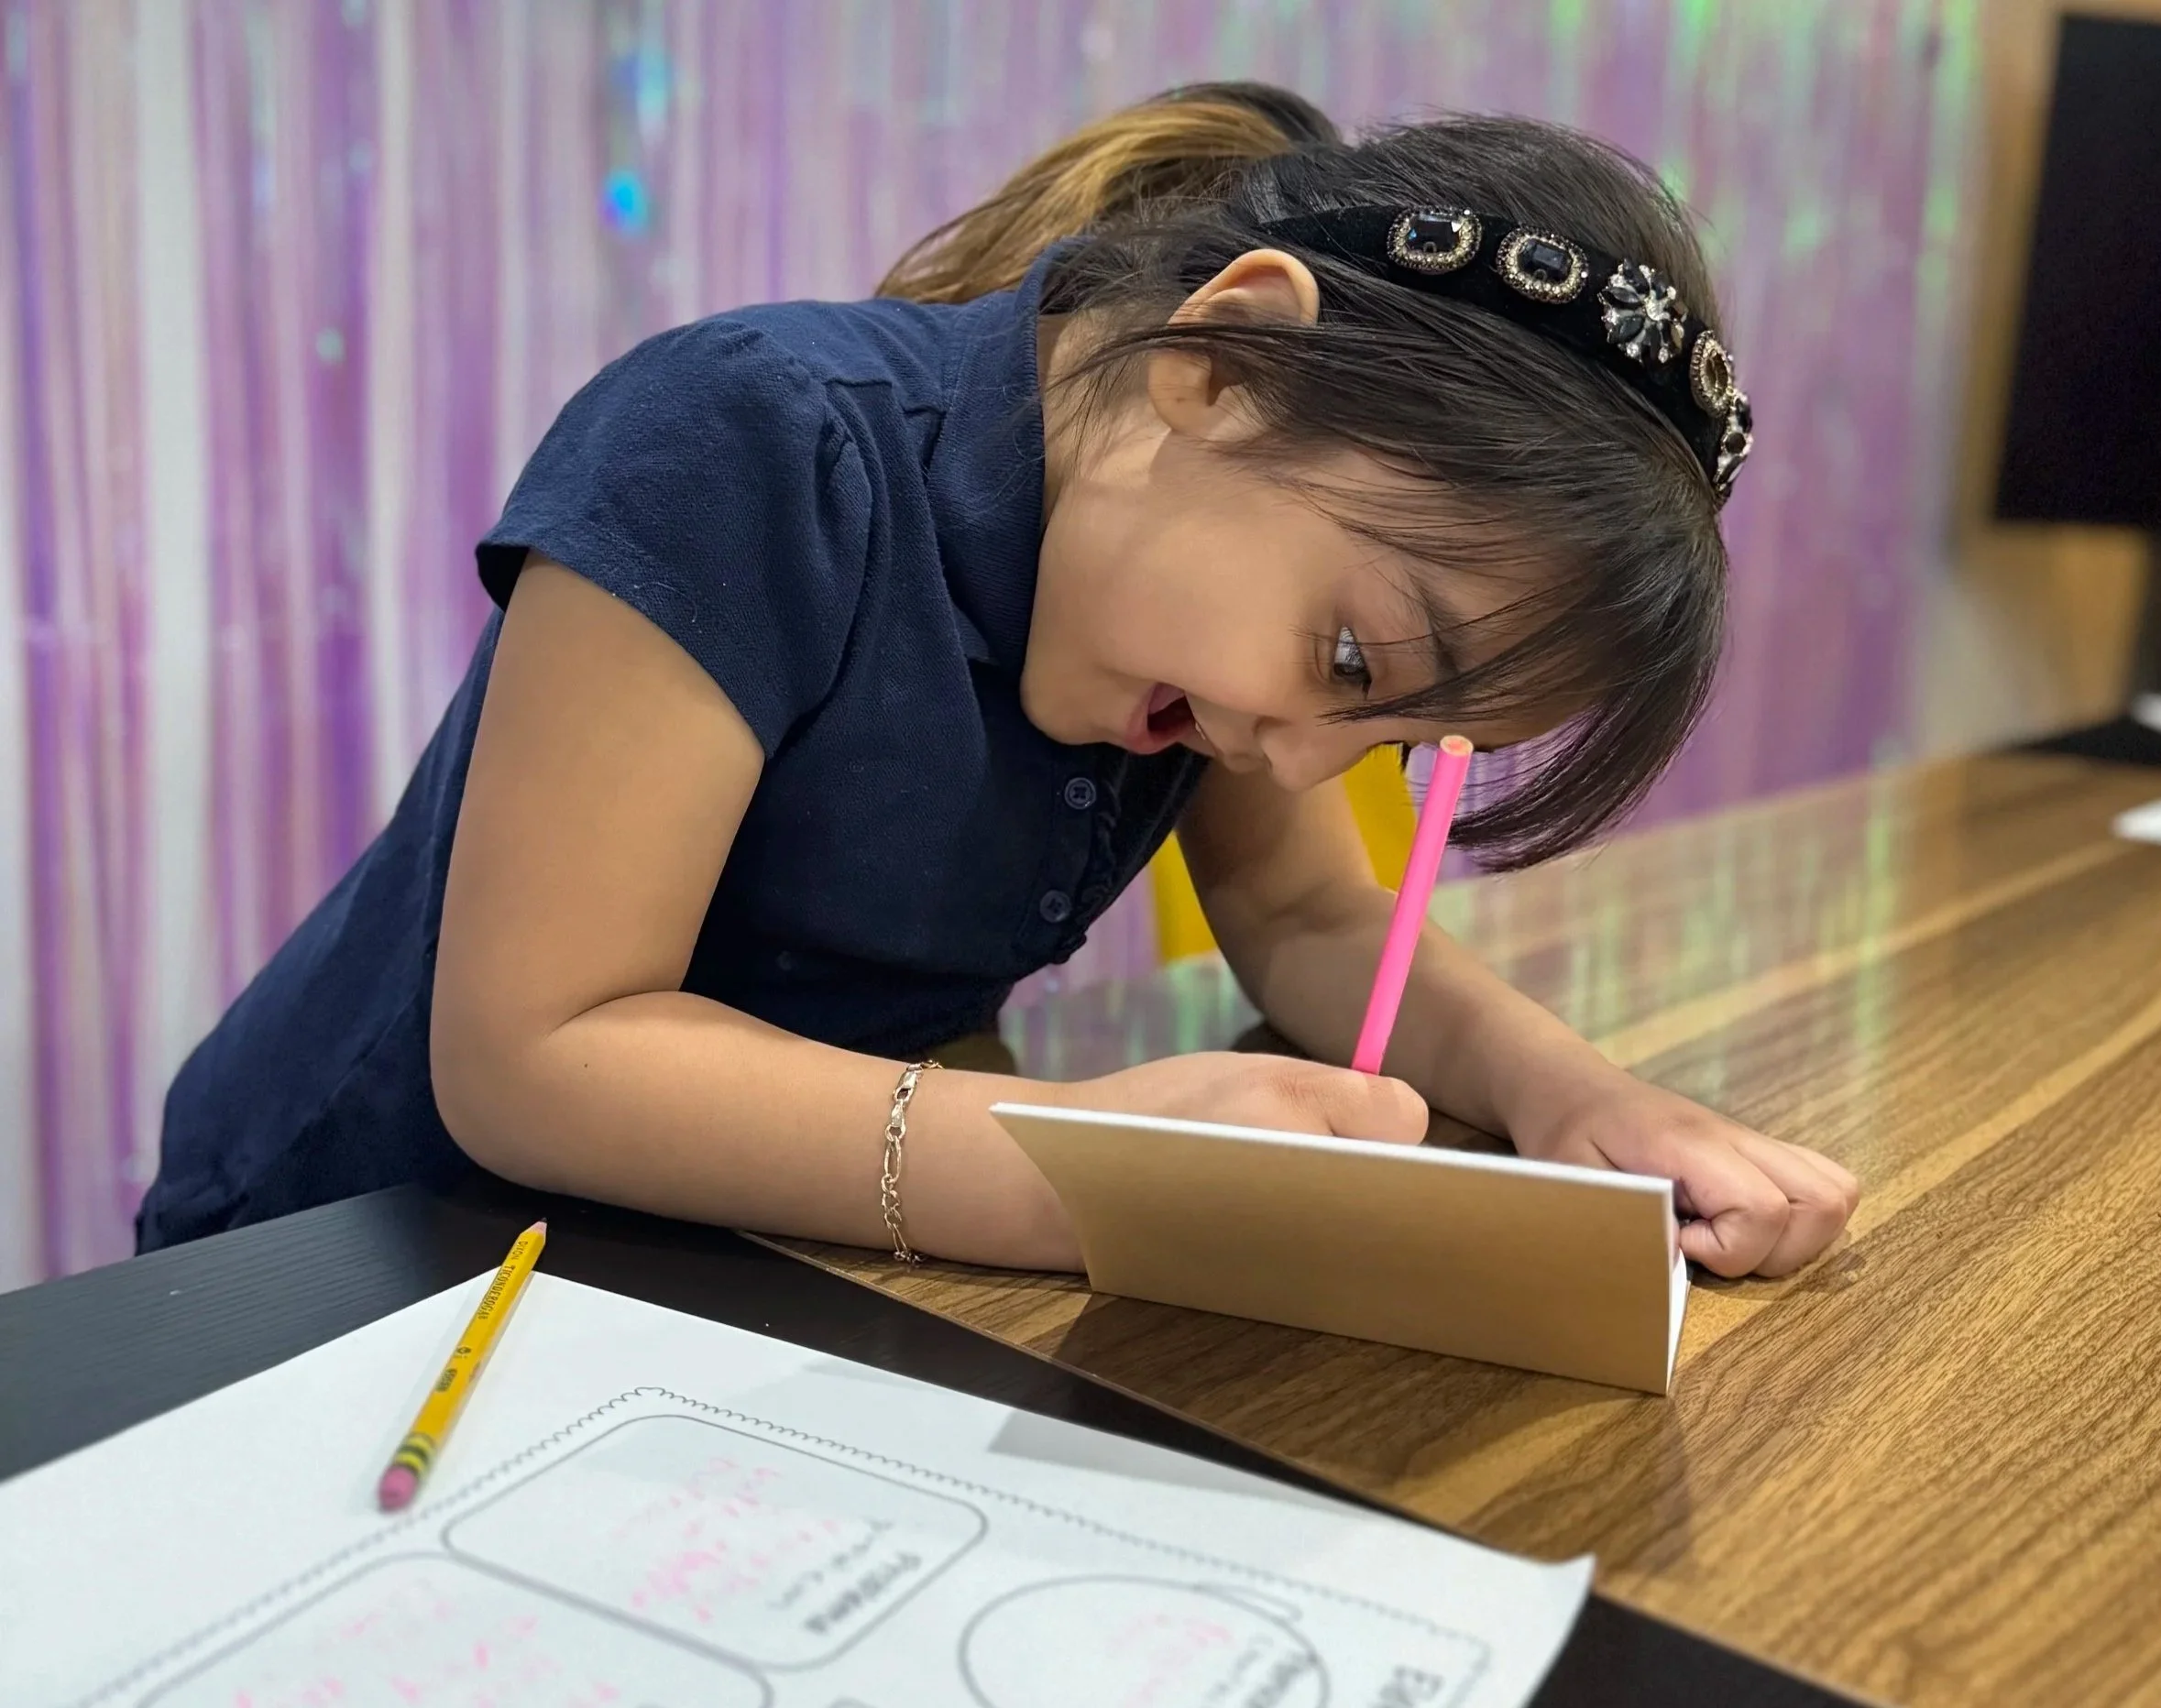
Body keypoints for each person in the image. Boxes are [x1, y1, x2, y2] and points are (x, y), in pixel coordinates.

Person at [141, 82, 1856, 1278]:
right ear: (1224, 362)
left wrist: (1586, 1104)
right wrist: (1074, 1164)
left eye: (1406, 731)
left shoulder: (1243, 629)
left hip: (769, 1266)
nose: (1306, 746)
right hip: (364, 1257)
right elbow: (536, 1053)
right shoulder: (747, 443)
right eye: (1352, 659)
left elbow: (1321, 928)